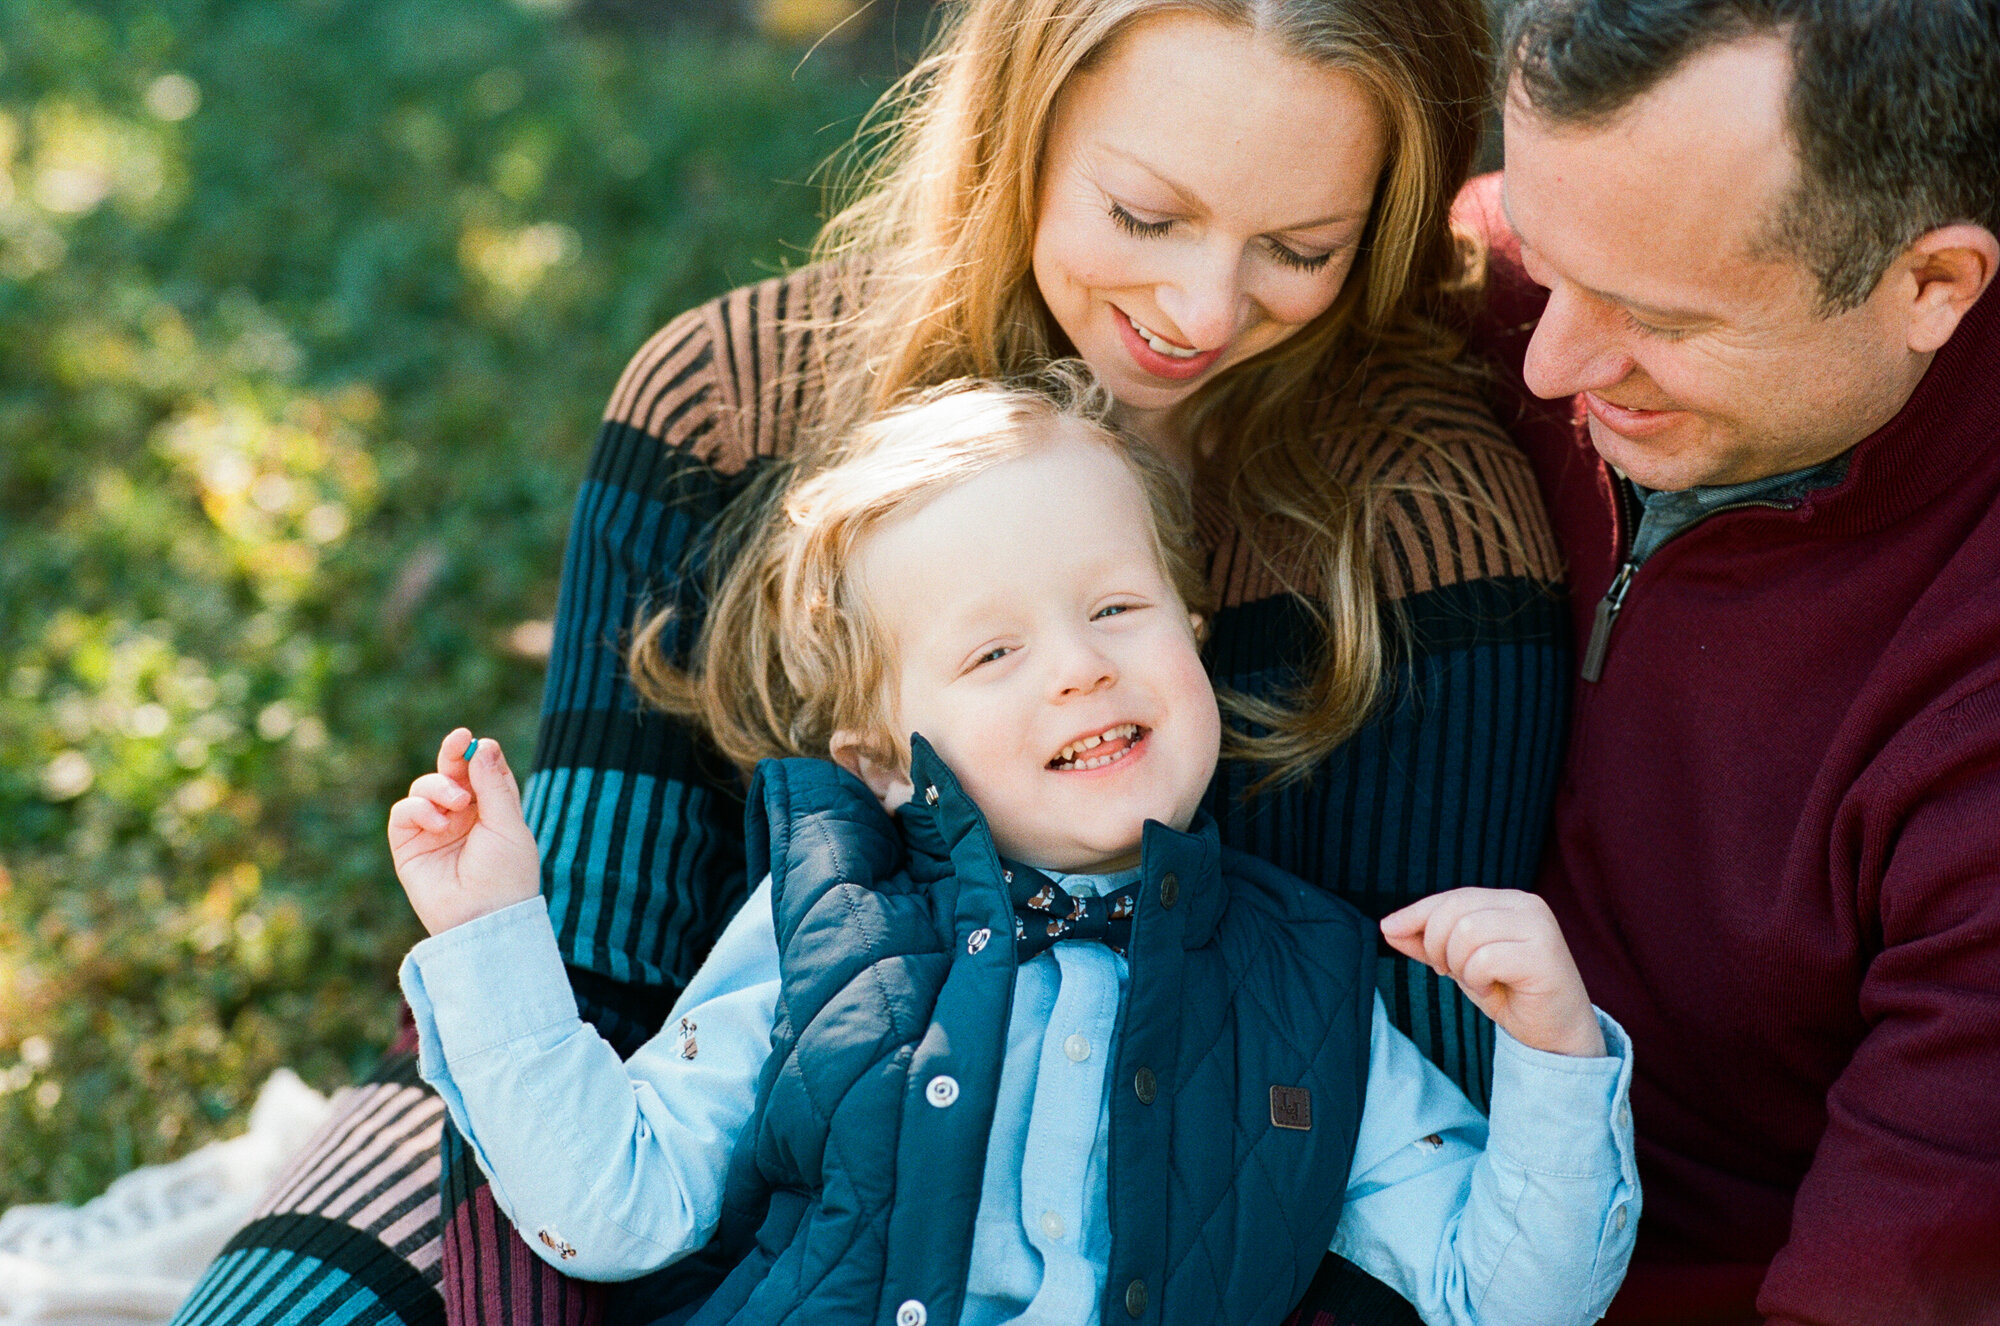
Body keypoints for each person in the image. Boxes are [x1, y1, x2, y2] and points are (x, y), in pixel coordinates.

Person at [169, 3, 1567, 1325]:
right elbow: (589, 991)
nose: (1201, 308)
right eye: (1143, 214)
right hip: (654, 1119)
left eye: (1301, 247)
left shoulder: (1421, 526)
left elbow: (1394, 1140)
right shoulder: (725, 402)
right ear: (1022, 120)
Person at [386, 378, 1637, 1326]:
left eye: (1113, 609)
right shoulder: (824, 925)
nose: (1081, 665)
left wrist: (1550, 1057)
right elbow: (614, 1210)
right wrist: (492, 934)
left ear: (1192, 635)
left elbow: (1508, 1301)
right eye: (992, 654)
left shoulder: (1304, 978)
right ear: (882, 755)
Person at [1452, 0, 2000, 1321]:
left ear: (1931, 285)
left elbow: (1891, 1278)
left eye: (1655, 317)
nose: (1548, 358)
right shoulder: (1504, 275)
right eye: (1543, 256)